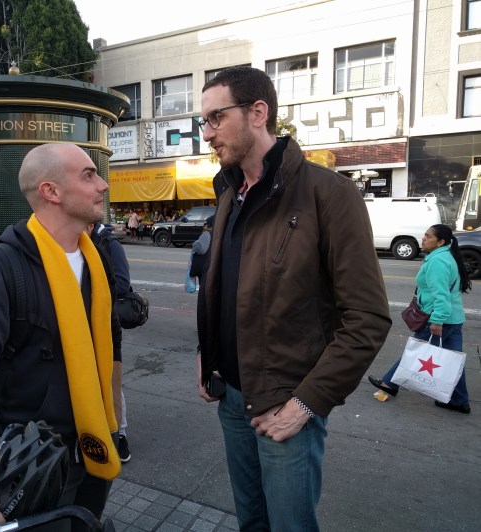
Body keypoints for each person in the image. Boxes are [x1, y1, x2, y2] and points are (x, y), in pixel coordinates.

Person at [196, 66, 391, 531]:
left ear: (257, 113)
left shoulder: (329, 193)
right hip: (231, 398)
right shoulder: (228, 196)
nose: (207, 134)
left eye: (215, 118)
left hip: (285, 404)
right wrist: (208, 355)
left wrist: (306, 405)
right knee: (251, 522)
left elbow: (366, 318)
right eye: (203, 122)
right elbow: (222, 289)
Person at [0, 143, 121, 532]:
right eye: (89, 175)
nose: (102, 185)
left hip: (95, 449)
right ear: (51, 192)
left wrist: (115, 426)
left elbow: (109, 345)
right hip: (35, 463)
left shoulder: (96, 258)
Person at [369, 224, 472, 414]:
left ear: (440, 242)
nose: (423, 238)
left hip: (438, 317)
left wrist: (437, 320)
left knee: (416, 352)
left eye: (428, 236)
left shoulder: (438, 261)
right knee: (452, 361)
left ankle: (389, 383)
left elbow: (441, 295)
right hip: (454, 318)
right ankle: (459, 399)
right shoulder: (445, 256)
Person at [90, 221, 132, 463]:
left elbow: (123, 284)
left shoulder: (109, 243)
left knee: (112, 381)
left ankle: (120, 434)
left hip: (106, 323)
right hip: (80, 323)